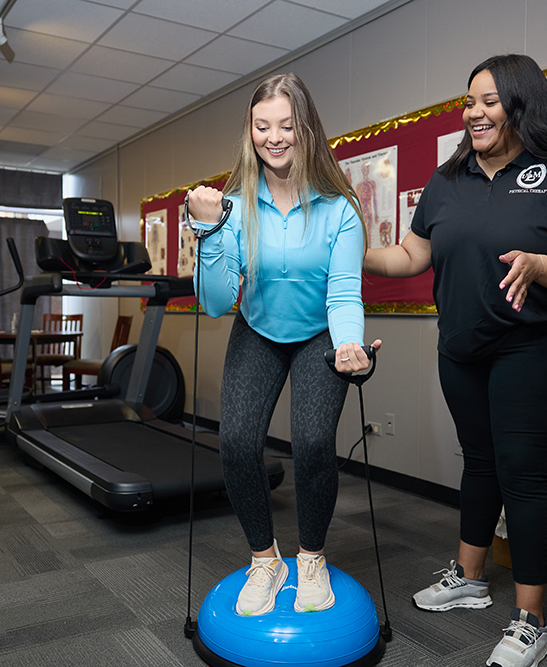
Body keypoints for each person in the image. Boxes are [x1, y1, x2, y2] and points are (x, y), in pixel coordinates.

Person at [363, 54, 547, 667]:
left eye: (489, 101)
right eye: (468, 101)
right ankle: (470, 578)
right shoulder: (448, 178)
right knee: (478, 462)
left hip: (537, 346)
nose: (473, 112)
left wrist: (541, 264)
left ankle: (530, 618)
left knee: (521, 473)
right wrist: (347, 253)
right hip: (463, 348)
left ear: (522, 104)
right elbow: (409, 257)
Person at [187, 72, 381, 617]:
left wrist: (349, 345)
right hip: (257, 329)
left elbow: (344, 292)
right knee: (236, 444)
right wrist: (207, 232)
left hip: (320, 330)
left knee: (315, 443)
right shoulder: (233, 204)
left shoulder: (339, 208)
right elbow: (217, 302)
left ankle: (312, 557)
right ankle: (265, 559)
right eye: (261, 125)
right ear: (250, 131)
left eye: (286, 125)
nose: (274, 137)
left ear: (307, 129)